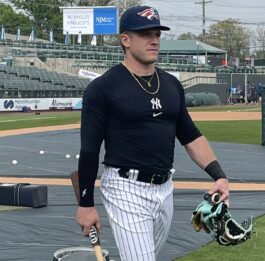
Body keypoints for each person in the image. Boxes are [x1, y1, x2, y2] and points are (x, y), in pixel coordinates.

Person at [76, 5, 229, 261]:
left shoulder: (170, 84)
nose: (154, 40)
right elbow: (89, 149)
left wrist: (219, 176)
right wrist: (86, 204)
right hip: (126, 188)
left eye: (157, 33)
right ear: (125, 39)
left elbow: (190, 135)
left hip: (165, 189)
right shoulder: (103, 88)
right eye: (146, 33)